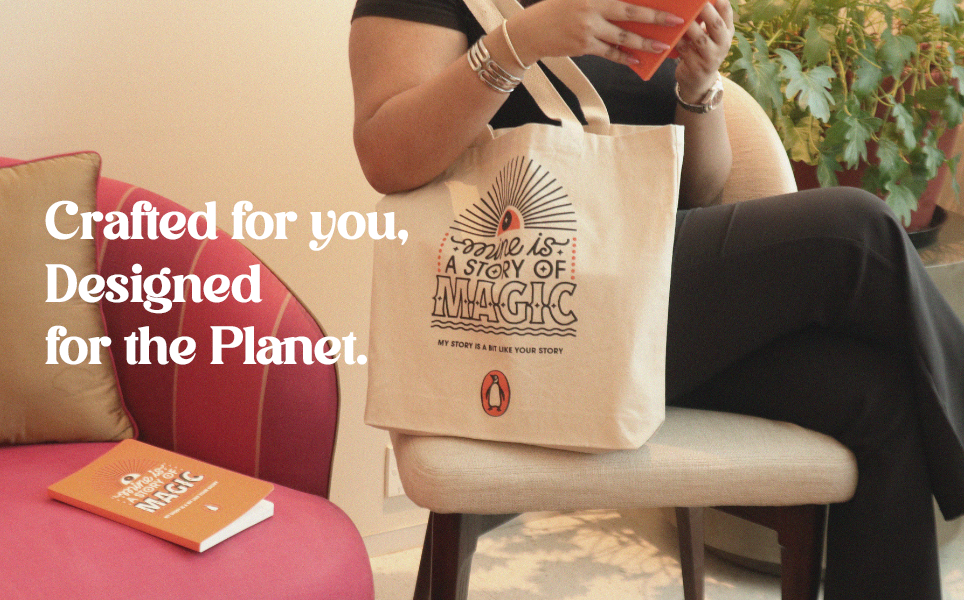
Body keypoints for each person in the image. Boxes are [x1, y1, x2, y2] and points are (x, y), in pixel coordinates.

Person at [348, 0, 964, 597]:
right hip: (527, 314)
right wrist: (522, 41)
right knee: (855, 231)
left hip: (645, 312)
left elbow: (698, 191)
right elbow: (386, 156)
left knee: (878, 393)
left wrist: (698, 86)